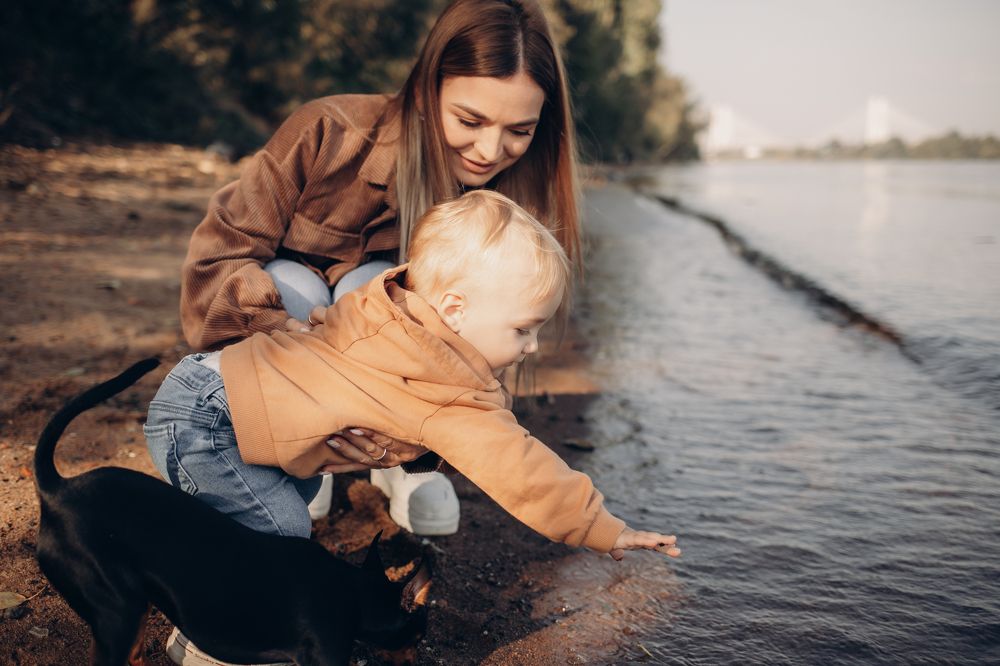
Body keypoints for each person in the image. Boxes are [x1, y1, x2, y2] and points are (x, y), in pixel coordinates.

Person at [146, 191, 681, 665]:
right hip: (210, 425)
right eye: (523, 329)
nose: (533, 347)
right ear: (453, 310)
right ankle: (207, 646)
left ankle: (206, 572)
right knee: (280, 538)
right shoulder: (445, 388)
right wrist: (601, 527)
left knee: (288, 500)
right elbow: (523, 470)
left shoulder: (388, 306)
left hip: (206, 384)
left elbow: (324, 329)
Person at [178, 0, 582, 539]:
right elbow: (219, 255)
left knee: (385, 286)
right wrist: (290, 344)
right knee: (305, 282)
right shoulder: (327, 130)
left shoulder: (514, 192)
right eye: (470, 120)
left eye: (520, 130)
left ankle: (403, 463)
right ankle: (291, 435)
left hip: (398, 395)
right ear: (426, 88)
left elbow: (493, 338)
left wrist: (413, 440)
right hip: (287, 360)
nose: (490, 151)